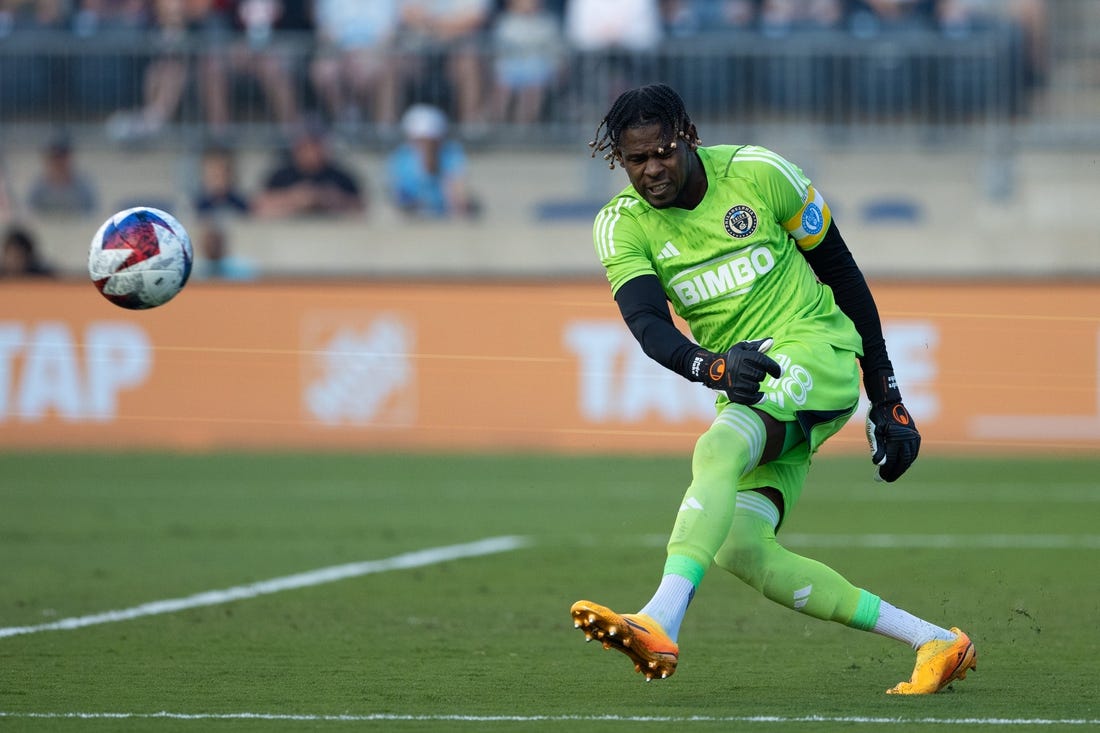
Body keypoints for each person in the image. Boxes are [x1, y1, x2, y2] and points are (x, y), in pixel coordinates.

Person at [569, 84, 976, 694]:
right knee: (740, 548)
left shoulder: (760, 173)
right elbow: (649, 325)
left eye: (663, 152)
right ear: (619, 161)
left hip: (818, 351)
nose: (652, 169)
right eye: (636, 159)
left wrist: (886, 394)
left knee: (717, 448)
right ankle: (935, 641)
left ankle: (658, 619)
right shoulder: (621, 225)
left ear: (688, 137)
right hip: (750, 385)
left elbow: (843, 274)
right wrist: (712, 369)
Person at [252, 123, 366, 218]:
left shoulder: (340, 176)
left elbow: (361, 208)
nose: (312, 152)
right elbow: (259, 206)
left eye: (316, 146)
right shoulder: (281, 175)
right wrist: (294, 198)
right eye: (307, 146)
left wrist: (330, 199)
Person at [386, 103, 478, 219]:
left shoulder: (451, 153)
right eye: (420, 141)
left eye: (431, 141)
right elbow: (398, 199)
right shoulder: (400, 158)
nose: (426, 146)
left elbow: (459, 196)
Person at [27, 134, 99, 217]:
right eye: (55, 158)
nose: (59, 163)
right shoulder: (38, 189)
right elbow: (31, 213)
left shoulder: (83, 188)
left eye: (62, 157)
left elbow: (91, 214)